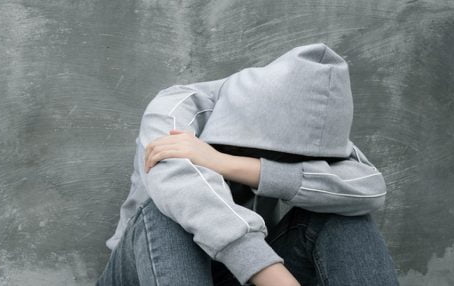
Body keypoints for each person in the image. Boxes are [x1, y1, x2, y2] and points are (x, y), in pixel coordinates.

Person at [97, 43, 398, 285]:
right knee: (165, 215)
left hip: (241, 275)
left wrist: (224, 162)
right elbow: (183, 189)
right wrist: (277, 278)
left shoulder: (304, 129)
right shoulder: (174, 108)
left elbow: (367, 189)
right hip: (148, 270)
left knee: (344, 214)